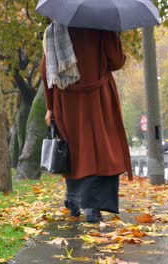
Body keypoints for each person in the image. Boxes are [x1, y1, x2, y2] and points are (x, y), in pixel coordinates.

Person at [41, 25, 133, 223]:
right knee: (102, 149)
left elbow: (46, 70)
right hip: (99, 97)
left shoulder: (54, 31)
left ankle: (74, 201)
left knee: (74, 151)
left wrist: (50, 107)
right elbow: (116, 62)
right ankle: (93, 206)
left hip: (66, 101)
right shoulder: (101, 26)